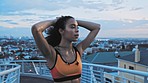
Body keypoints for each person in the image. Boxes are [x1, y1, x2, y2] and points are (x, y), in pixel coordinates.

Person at [31, 16, 100, 83]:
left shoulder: (78, 50)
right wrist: (55, 22)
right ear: (61, 31)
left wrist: (73, 21)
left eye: (77, 27)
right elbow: (36, 29)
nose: (77, 30)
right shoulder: (52, 53)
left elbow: (96, 27)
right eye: (72, 27)